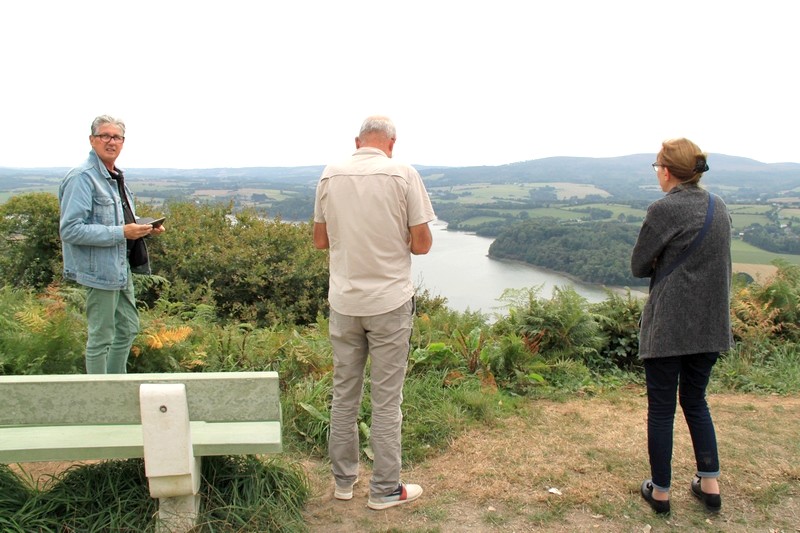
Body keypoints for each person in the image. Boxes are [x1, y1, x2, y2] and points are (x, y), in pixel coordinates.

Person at [313, 115, 435, 510]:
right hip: (388, 302)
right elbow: (422, 245)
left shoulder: (330, 175)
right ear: (392, 143)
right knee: (386, 400)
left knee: (344, 395)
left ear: (357, 141)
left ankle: (343, 482)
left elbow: (319, 240)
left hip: (344, 302)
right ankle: (384, 489)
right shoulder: (402, 174)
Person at [631, 138, 732, 514]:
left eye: (657, 166)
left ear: (668, 171)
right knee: (695, 400)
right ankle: (710, 484)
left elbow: (639, 266)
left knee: (661, 409)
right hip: (710, 326)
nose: (657, 172)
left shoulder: (662, 210)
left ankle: (660, 493)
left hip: (669, 327)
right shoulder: (718, 207)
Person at [59, 115, 165, 374]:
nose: (111, 141)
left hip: (120, 268)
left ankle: (117, 388)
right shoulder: (82, 178)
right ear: (92, 140)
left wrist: (143, 229)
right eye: (104, 136)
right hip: (99, 272)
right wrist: (122, 233)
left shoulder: (114, 176)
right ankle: (101, 400)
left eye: (116, 137)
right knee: (101, 338)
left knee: (127, 329)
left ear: (123, 142)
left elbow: (120, 222)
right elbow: (71, 230)